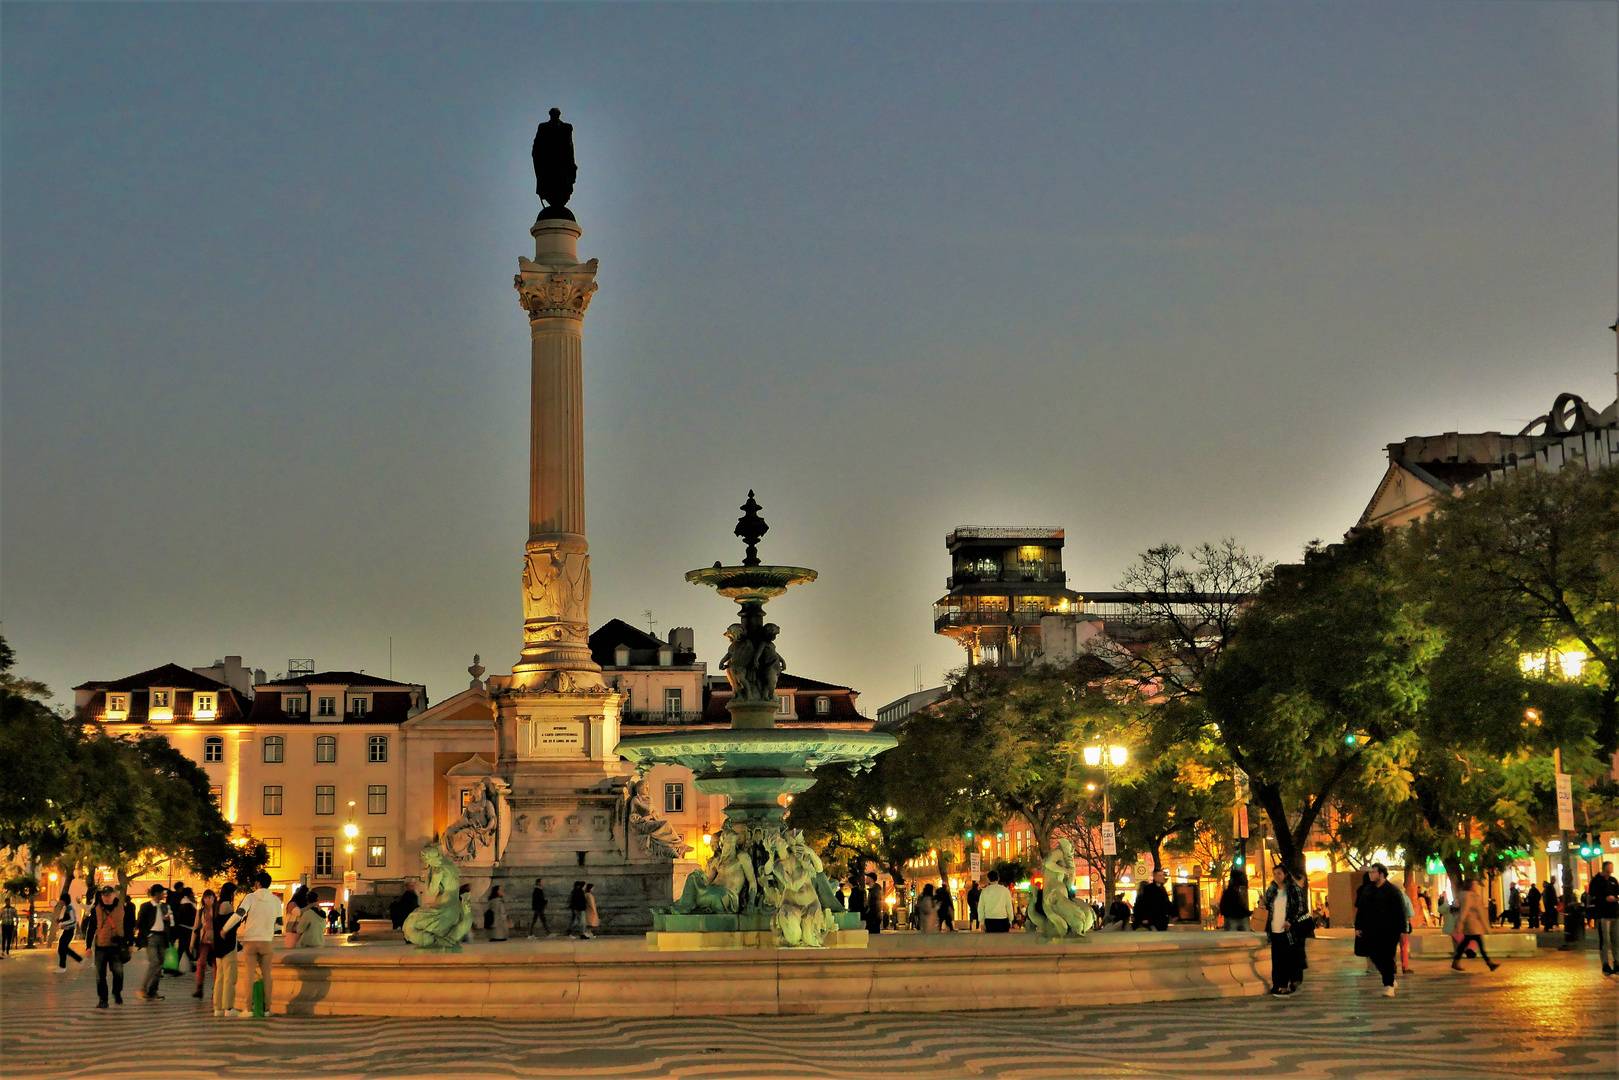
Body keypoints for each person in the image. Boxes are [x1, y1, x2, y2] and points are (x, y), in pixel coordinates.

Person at [221, 871, 279, 1018]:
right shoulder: (276, 901)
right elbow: (279, 925)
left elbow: (239, 914)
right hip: (266, 941)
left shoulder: (250, 897)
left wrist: (225, 928)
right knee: (267, 975)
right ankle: (267, 1009)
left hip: (251, 941)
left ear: (258, 883)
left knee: (249, 975)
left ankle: (249, 1008)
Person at [1354, 863, 1406, 998]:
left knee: (1388, 957)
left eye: (1373, 872)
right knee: (1374, 955)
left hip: (1389, 930)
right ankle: (1389, 979)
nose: (1370, 875)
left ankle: (1388, 985)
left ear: (1381, 874)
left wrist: (1402, 929)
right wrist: (1358, 926)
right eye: (1370, 872)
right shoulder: (1368, 890)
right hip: (1371, 930)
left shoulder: (1393, 891)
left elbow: (1400, 911)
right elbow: (1361, 909)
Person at [82, 885, 134, 1009]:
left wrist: (130, 943)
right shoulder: (96, 909)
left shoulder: (122, 908)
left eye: (108, 895)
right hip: (101, 946)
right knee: (100, 975)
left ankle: (117, 993)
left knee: (118, 972)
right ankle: (103, 999)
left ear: (114, 895)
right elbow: (91, 928)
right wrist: (88, 946)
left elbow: (128, 926)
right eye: (104, 895)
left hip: (117, 947)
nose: (106, 897)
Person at [1261, 865, 1309, 995]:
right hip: (1274, 929)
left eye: (1279, 874)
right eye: (1275, 874)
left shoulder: (1293, 889)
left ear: (1285, 875)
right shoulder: (1271, 889)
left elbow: (1300, 908)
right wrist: (1263, 904)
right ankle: (1277, 984)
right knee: (1276, 959)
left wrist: (1290, 921)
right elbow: (1268, 908)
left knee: (1288, 958)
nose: (1276, 876)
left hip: (1289, 930)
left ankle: (1286, 984)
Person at [1450, 878, 1499, 973]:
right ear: (1471, 886)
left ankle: (1456, 961)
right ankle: (1489, 963)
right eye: (1475, 884)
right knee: (1480, 944)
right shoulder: (1469, 896)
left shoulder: (1470, 895)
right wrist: (1460, 923)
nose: (1476, 886)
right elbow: (1465, 910)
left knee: (1466, 942)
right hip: (1472, 924)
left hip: (1473, 924)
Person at [135, 884, 173, 1001]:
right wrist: (146, 934)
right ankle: (142, 988)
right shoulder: (146, 906)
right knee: (154, 962)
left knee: (160, 965)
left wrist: (167, 920)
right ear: (156, 893)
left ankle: (153, 991)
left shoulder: (165, 906)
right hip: (151, 937)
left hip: (162, 936)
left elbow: (171, 922)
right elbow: (140, 922)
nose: (163, 895)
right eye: (162, 892)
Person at [212, 883, 238, 1018]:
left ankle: (217, 1007)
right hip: (228, 946)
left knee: (220, 978)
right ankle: (228, 1007)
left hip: (218, 946)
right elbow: (232, 923)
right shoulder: (227, 905)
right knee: (230, 977)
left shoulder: (216, 904)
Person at [1588, 861, 1618, 976]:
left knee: (1616, 939)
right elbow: (1593, 897)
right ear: (1603, 869)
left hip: (1614, 913)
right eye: (1607, 871)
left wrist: (1615, 898)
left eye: (1611, 871)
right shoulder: (1596, 881)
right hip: (1602, 914)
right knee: (1605, 940)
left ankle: (1617, 962)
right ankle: (1605, 964)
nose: (1609, 873)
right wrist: (1605, 899)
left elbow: (1617, 894)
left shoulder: (1613, 881)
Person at [192, 889, 217, 999]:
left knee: (216, 965)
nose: (209, 899)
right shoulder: (201, 911)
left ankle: (216, 990)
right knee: (201, 963)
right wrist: (192, 942)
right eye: (207, 897)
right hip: (204, 940)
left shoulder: (218, 910)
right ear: (203, 899)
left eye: (211, 897)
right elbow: (196, 927)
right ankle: (199, 988)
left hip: (216, 940)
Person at [53, 891, 83, 971]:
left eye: (62, 900)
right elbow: (68, 918)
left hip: (69, 931)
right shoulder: (68, 908)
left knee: (62, 948)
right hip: (67, 930)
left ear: (65, 900)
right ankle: (78, 960)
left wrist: (63, 923)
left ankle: (63, 966)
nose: (61, 902)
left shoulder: (70, 908)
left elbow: (73, 920)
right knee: (63, 948)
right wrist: (60, 921)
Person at [172, 885, 196, 977]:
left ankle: (191, 965)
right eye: (192, 892)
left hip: (187, 927)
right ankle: (175, 967)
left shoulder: (188, 902)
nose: (193, 893)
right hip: (185, 927)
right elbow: (190, 916)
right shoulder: (185, 903)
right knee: (182, 947)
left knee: (185, 947)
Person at [1398, 884, 1416, 975]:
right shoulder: (1405, 897)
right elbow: (1411, 913)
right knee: (1404, 947)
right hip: (1403, 926)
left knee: (1392, 947)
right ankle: (1405, 967)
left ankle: (1392, 967)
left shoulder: (1389, 896)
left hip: (1390, 926)